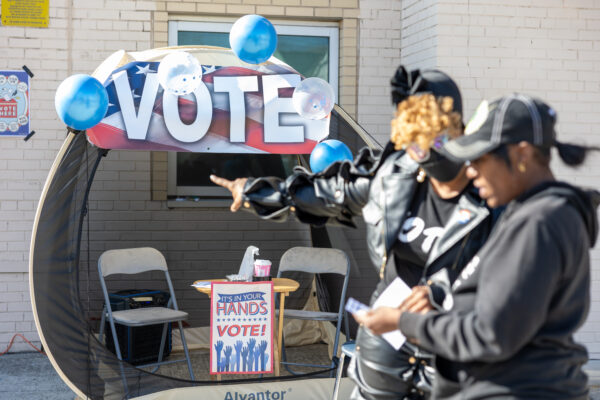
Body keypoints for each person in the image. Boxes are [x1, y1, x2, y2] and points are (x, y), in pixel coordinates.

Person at [210, 67, 495, 399]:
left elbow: (507, 271)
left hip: (452, 336)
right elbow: (330, 193)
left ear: (458, 128)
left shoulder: (489, 192)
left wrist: (441, 294)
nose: (424, 149)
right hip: (387, 330)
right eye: (414, 138)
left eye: (436, 134)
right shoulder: (394, 175)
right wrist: (257, 192)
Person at [355, 94, 599, 399]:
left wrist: (403, 322)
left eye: (480, 159)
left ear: (522, 155)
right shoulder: (528, 215)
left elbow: (492, 335)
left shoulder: (540, 223)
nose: (470, 171)